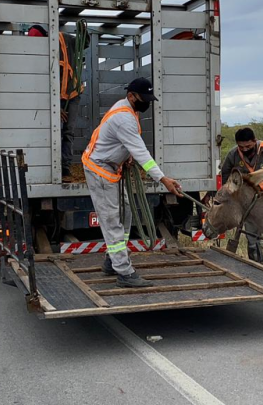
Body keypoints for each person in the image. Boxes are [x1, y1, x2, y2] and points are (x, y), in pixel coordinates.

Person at [82, 77, 182, 288]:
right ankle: (124, 272)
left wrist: (124, 155)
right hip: (100, 170)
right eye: (143, 98)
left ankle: (112, 259)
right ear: (131, 96)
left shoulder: (128, 110)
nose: (146, 103)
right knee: (111, 220)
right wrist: (163, 179)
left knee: (126, 211)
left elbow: (124, 143)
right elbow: (142, 153)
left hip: (112, 167)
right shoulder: (123, 118)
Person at [220, 128, 263, 269]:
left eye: (248, 146)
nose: (245, 150)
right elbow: (225, 172)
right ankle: (255, 266)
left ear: (254, 141)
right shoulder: (234, 153)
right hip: (250, 203)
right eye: (241, 147)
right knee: (252, 236)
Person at [28, 25, 89, 183]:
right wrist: (55, 107)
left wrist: (84, 33)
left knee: (68, 132)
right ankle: (49, 167)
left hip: (72, 93)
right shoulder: (36, 56)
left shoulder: (64, 39)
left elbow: (83, 44)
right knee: (51, 132)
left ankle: (65, 168)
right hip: (53, 98)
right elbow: (40, 84)